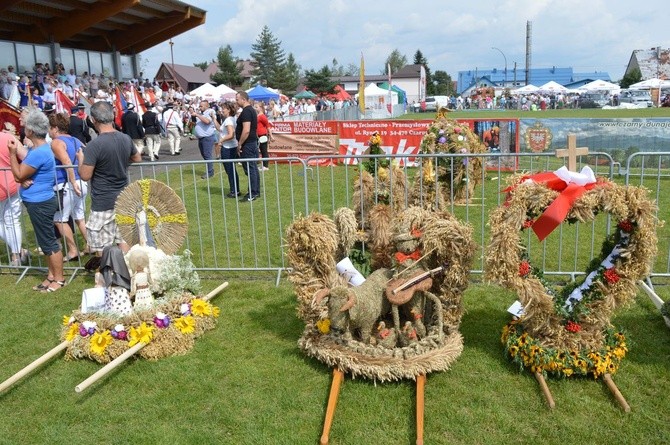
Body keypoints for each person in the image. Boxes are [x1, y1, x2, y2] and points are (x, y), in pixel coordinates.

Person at [7, 109, 65, 292]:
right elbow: (23, 176)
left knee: (49, 242)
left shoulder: (39, 152)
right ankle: (51, 275)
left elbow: (17, 175)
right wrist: (23, 178)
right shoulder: (37, 149)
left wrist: (11, 153)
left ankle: (59, 279)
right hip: (38, 200)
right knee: (45, 241)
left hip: (40, 202)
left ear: (31, 131)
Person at [78, 101, 142, 267]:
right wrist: (121, 161)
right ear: (112, 116)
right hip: (123, 199)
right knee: (124, 241)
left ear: (93, 120)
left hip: (103, 202)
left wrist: (80, 160)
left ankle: (108, 278)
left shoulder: (94, 145)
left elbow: (84, 175)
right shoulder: (125, 138)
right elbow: (137, 158)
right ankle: (127, 275)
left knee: (103, 247)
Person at [48, 112, 88, 261]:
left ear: (55, 128)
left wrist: (72, 181)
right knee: (79, 217)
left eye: (49, 128)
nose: (48, 131)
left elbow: (66, 162)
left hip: (66, 185)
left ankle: (72, 250)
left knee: (59, 220)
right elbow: (84, 153)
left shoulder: (56, 142)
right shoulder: (75, 140)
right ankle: (90, 244)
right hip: (80, 182)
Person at [0, 132, 29, 266]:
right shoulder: (7, 137)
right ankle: (17, 253)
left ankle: (17, 253)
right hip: (12, 182)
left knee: (6, 221)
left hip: (9, 184)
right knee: (12, 220)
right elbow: (25, 156)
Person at [235, 92, 260, 202]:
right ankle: (255, 191)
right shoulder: (251, 110)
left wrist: (239, 144)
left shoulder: (246, 111)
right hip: (252, 142)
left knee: (250, 168)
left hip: (248, 143)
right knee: (253, 168)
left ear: (243, 99)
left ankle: (253, 193)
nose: (236, 101)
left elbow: (246, 130)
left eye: (237, 99)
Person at [217, 102, 240, 198]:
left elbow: (231, 134)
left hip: (228, 147)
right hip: (230, 146)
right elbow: (221, 130)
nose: (222, 110)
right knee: (231, 170)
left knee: (230, 170)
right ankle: (235, 190)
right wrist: (214, 119)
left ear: (229, 110)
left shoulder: (228, 121)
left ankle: (234, 191)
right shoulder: (229, 119)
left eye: (224, 108)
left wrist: (221, 141)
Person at [193, 100, 218, 179]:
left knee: (207, 155)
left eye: (201, 106)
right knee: (204, 154)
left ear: (207, 106)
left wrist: (197, 115)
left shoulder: (210, 112)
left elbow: (207, 121)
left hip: (207, 137)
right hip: (201, 138)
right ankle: (210, 169)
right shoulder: (202, 114)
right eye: (199, 106)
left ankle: (210, 172)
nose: (199, 107)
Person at [254, 102, 273, 171]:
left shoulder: (262, 116)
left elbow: (268, 126)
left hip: (263, 135)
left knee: (264, 150)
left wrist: (271, 136)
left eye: (256, 107)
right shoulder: (257, 116)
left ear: (261, 108)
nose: (255, 108)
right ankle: (263, 165)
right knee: (260, 150)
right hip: (258, 135)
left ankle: (266, 166)